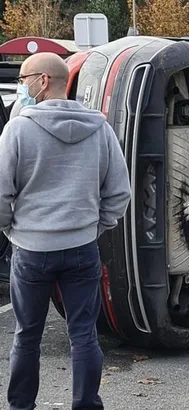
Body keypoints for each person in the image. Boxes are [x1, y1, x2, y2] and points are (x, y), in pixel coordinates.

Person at [0, 52, 131, 410]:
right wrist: (97, 225)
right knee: (84, 335)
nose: (21, 86)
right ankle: (86, 404)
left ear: (43, 81)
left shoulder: (18, 129)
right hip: (82, 247)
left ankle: (21, 405)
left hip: (31, 248)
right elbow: (120, 191)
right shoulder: (99, 127)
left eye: (24, 78)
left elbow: (1, 194)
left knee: (26, 336)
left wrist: (13, 231)